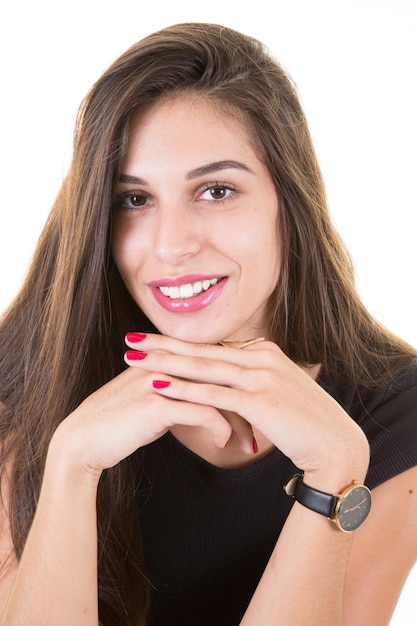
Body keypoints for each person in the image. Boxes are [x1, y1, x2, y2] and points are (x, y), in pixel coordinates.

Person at [0, 22, 416, 626]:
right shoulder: (26, 375)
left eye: (217, 190)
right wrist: (71, 462)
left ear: (288, 203)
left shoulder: (395, 411)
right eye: (133, 200)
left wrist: (333, 468)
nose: (171, 246)